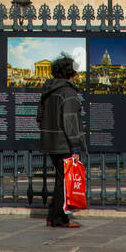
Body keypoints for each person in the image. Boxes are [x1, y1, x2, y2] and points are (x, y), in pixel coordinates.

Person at [37, 54, 87, 228]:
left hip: (50, 142)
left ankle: (53, 215)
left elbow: (40, 117)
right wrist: (75, 145)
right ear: (70, 73)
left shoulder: (47, 91)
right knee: (65, 182)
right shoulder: (68, 92)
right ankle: (59, 218)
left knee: (60, 180)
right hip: (64, 142)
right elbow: (70, 121)